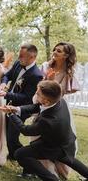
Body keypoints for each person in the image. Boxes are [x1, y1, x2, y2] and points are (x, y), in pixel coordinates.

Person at [0, 80, 88, 181]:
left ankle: (51, 179)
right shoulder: (59, 100)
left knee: (20, 154)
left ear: (46, 101)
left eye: (38, 93)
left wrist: (10, 114)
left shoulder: (48, 120)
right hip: (65, 141)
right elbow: (37, 107)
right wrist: (16, 109)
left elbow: (26, 130)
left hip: (53, 147)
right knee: (68, 159)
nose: (35, 94)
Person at [32, 42, 80, 179]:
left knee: (59, 141)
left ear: (66, 56)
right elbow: (40, 88)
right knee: (39, 138)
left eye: (58, 51)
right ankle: (48, 172)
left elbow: (61, 93)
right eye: (54, 49)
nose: (54, 52)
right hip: (43, 106)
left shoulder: (68, 72)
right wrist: (48, 79)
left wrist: (53, 83)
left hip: (58, 109)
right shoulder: (45, 66)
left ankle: (62, 171)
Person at [0, 44, 43, 163]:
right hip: (9, 102)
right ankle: (13, 155)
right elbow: (7, 75)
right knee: (7, 132)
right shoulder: (18, 63)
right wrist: (3, 84)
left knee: (12, 135)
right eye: (19, 55)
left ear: (32, 57)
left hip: (21, 108)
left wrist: (6, 94)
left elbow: (26, 97)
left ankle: (24, 157)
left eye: (22, 56)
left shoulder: (36, 75)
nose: (19, 57)